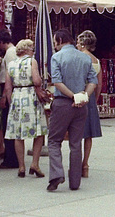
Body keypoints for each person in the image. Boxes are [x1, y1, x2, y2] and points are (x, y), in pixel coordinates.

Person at [47, 29, 97, 192]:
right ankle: (75, 182)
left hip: (63, 102)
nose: (55, 45)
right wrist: (83, 96)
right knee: (76, 143)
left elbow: (57, 82)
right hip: (81, 106)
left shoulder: (57, 57)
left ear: (60, 40)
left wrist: (72, 96)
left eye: (55, 42)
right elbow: (93, 81)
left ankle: (56, 174)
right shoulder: (85, 57)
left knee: (54, 141)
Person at [3, 39, 48, 178]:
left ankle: (21, 166)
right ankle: (35, 163)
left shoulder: (10, 64)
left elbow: (7, 87)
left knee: (18, 133)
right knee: (39, 132)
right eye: (32, 48)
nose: (33, 51)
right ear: (27, 49)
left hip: (17, 97)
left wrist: (12, 103)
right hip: (30, 96)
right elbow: (36, 81)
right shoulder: (31, 61)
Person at [76, 30, 102, 178]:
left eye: (78, 42)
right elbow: (99, 84)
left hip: (79, 94)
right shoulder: (96, 60)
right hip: (90, 97)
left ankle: (76, 162)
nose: (77, 45)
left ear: (83, 43)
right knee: (89, 134)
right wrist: (94, 99)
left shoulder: (80, 58)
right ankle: (85, 164)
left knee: (77, 131)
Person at [0, 29, 19, 169]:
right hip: (9, 90)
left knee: (7, 125)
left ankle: (11, 158)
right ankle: (11, 156)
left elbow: (10, 76)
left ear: (2, 42)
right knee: (8, 125)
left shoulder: (10, 53)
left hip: (8, 90)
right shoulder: (12, 52)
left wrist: (5, 96)